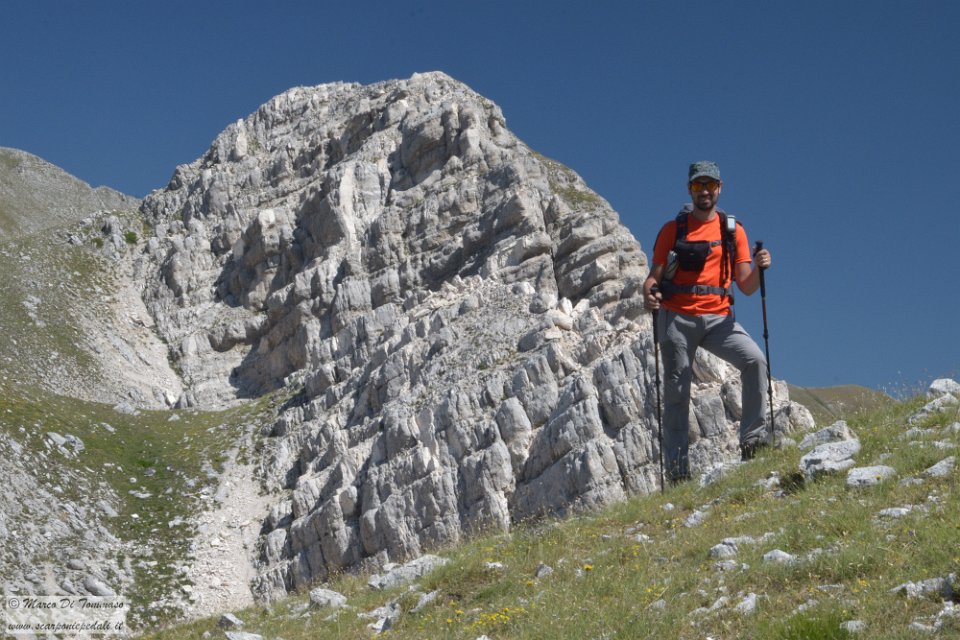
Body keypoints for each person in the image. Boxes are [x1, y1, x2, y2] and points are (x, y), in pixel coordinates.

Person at [643, 161, 772, 483]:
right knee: (677, 392)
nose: (705, 191)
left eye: (710, 185)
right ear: (690, 189)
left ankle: (753, 442)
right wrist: (649, 294)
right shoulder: (672, 230)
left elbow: (746, 286)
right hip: (676, 317)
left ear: (719, 188)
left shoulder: (733, 231)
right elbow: (653, 278)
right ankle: (677, 473)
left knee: (755, 360)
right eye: (698, 185)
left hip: (719, 318)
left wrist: (760, 268)